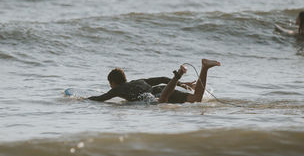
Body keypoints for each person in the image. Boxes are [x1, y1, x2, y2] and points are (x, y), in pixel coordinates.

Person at [88, 59, 221, 103]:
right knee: (196, 98)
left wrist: (82, 99)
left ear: (113, 82)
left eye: (110, 84)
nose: (110, 87)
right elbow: (162, 79)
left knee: (160, 102)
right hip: (162, 88)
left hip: (158, 94)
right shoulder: (138, 81)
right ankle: (204, 67)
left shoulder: (117, 89)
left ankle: (178, 74)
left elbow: (101, 98)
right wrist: (181, 85)